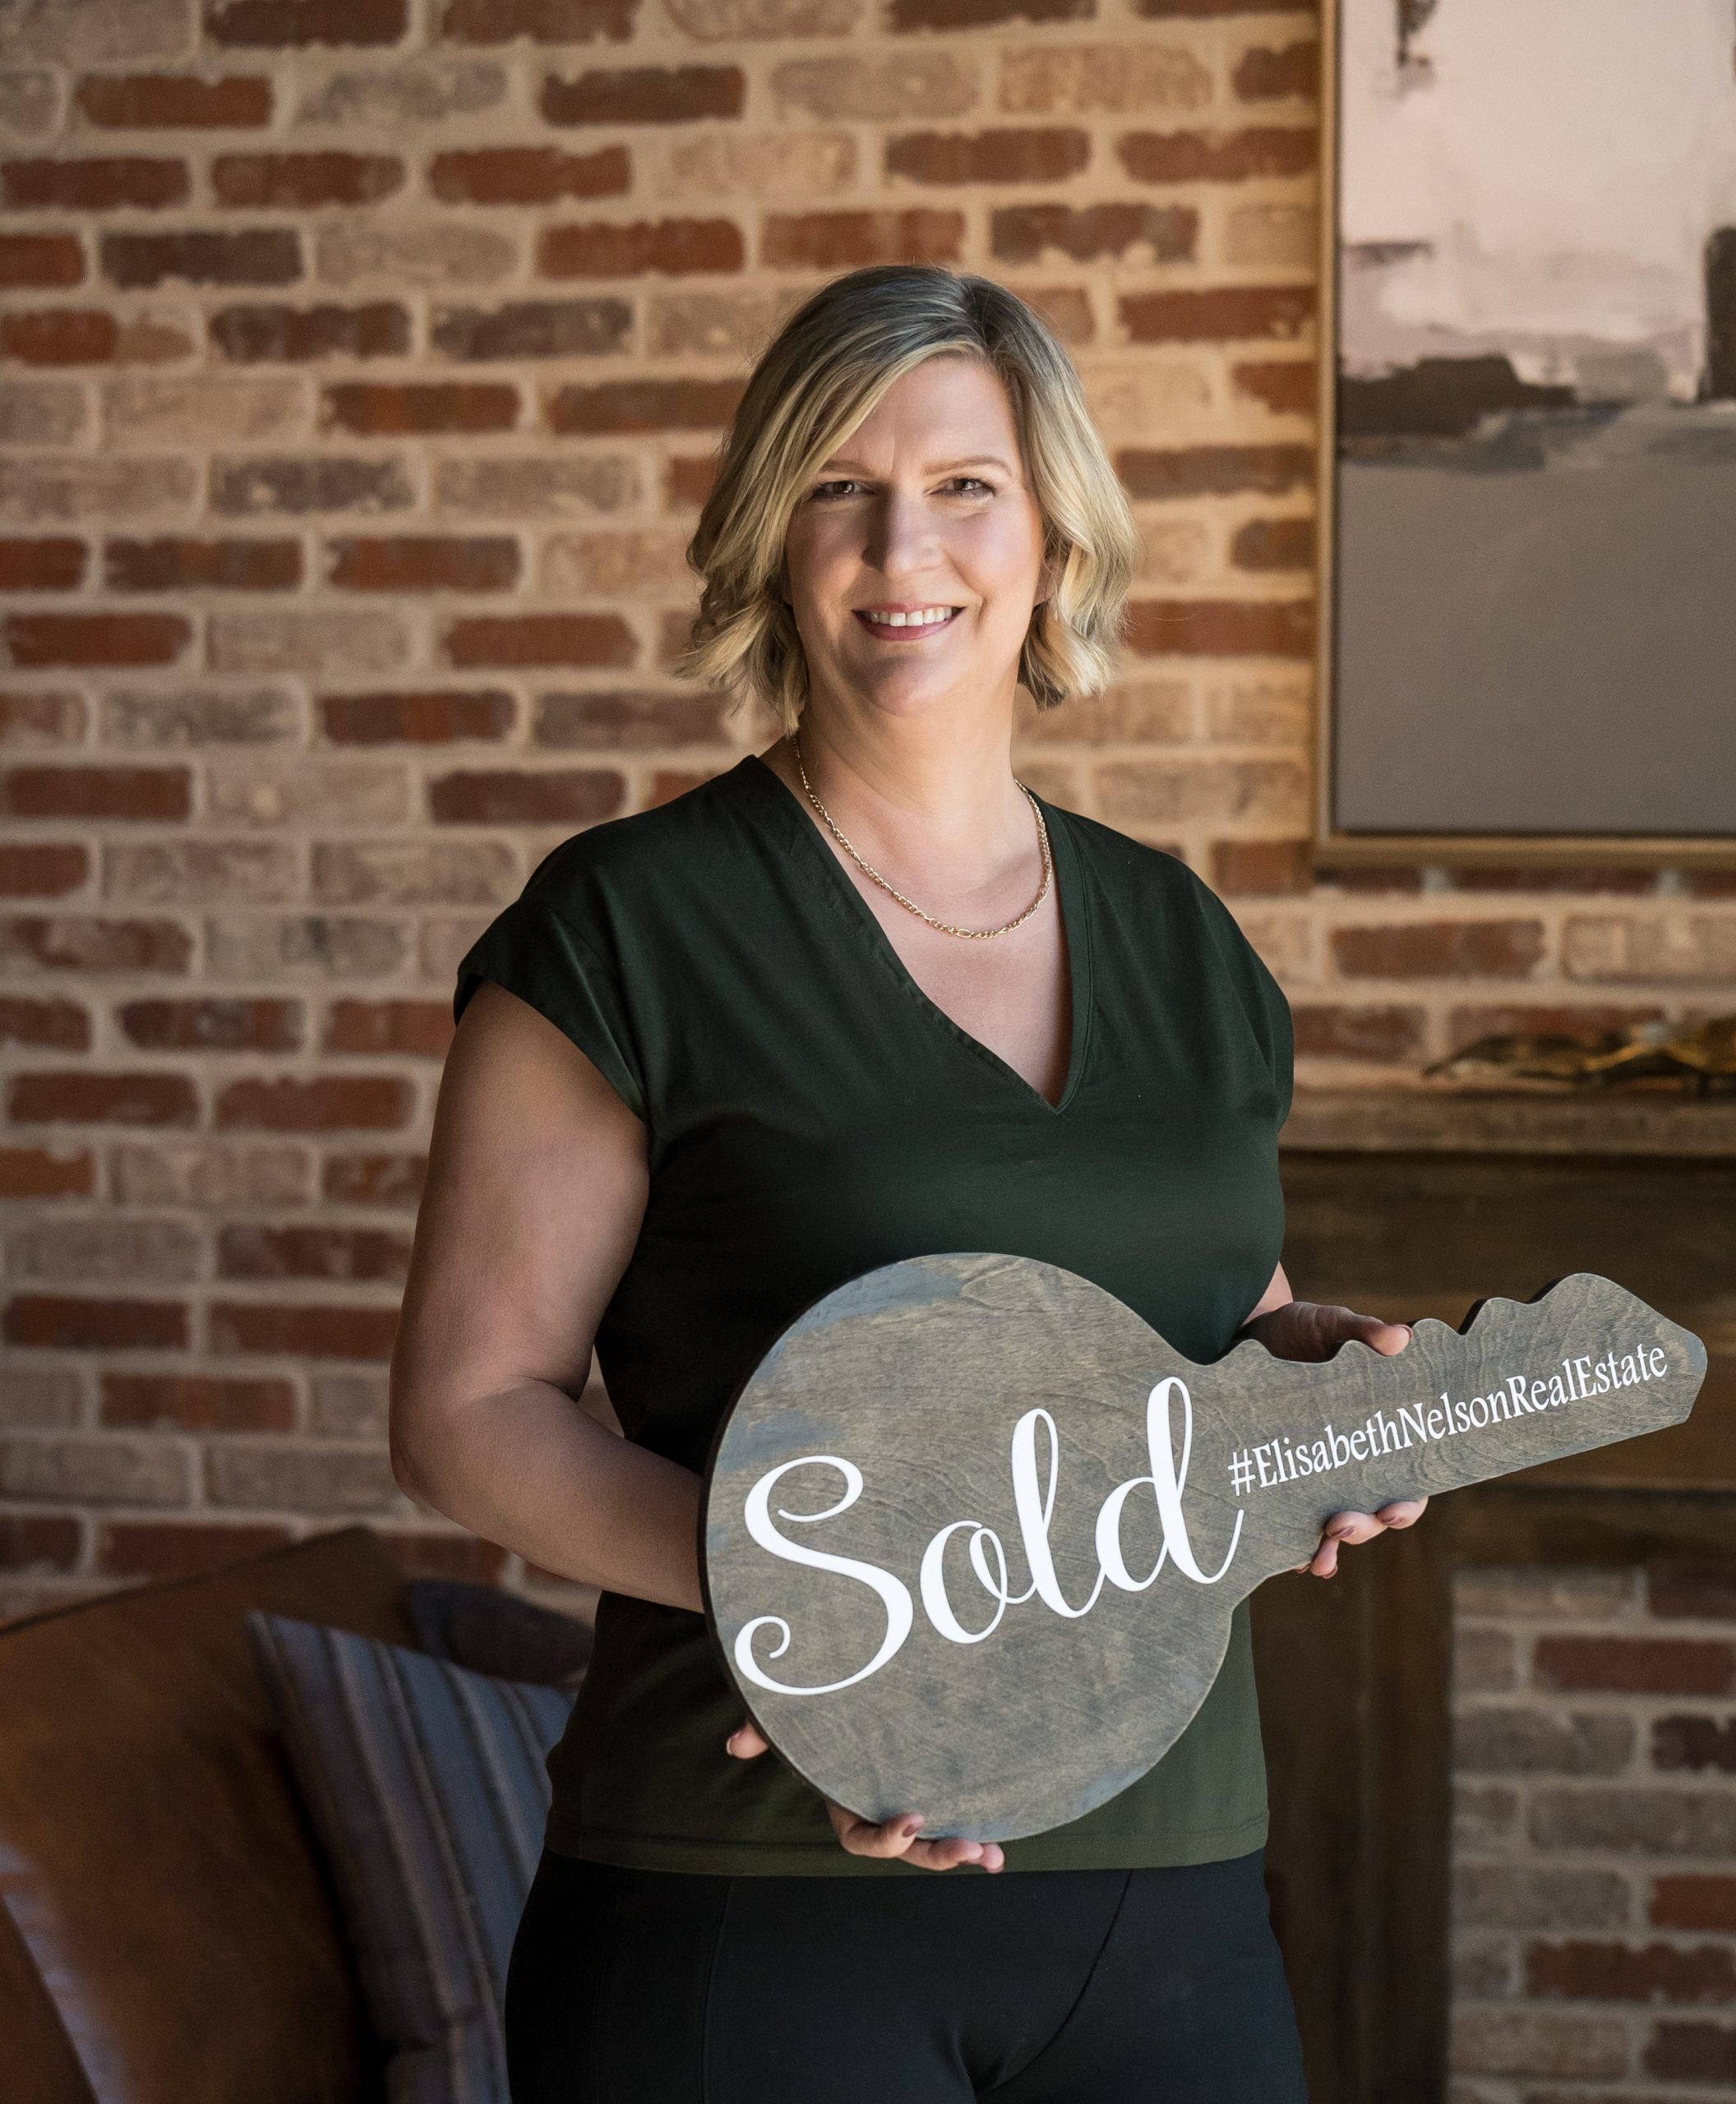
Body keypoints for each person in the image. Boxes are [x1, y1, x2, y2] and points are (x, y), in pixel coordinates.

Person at [390, 264, 1424, 2104]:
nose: (901, 548)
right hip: (751, 1902)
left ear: (1051, 537)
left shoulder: (1183, 937)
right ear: (770, 539)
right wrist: (831, 1619)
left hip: (1172, 1885)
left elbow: (1206, 1321)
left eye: (964, 486)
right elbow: (468, 1415)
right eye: (838, 488)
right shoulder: (627, 925)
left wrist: (1309, 1366)